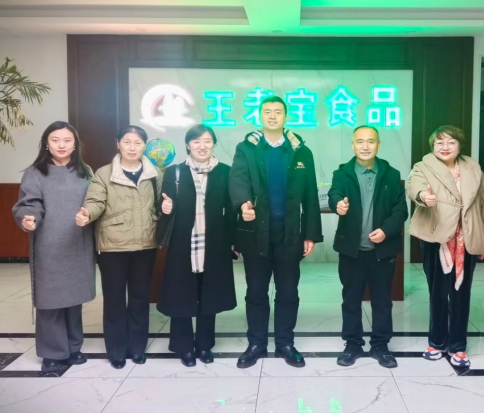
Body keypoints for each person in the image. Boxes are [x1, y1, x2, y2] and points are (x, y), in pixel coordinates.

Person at [229, 96, 323, 369]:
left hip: (289, 234)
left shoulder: (301, 151)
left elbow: (311, 195)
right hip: (255, 233)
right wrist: (243, 203)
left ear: (286, 116)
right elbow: (238, 180)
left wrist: (310, 234)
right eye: (267, 112)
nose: (272, 116)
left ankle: (285, 343)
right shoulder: (246, 148)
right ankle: (256, 343)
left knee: (288, 291)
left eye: (278, 112)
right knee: (256, 291)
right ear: (260, 116)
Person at [76, 125, 162, 369]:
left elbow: (160, 203)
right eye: (127, 142)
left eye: (137, 143)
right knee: (114, 299)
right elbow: (95, 201)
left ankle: (137, 347)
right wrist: (87, 213)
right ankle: (116, 349)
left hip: (145, 244)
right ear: (118, 144)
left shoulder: (154, 173)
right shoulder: (104, 173)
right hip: (112, 247)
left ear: (144, 146)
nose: (132, 147)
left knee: (139, 297)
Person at [406, 125, 484, 367]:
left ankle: (458, 346)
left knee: (462, 294)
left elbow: (483, 205)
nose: (445, 147)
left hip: (467, 237)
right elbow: (413, 187)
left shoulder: (473, 168)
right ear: (432, 146)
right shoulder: (422, 166)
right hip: (436, 236)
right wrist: (424, 197)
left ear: (459, 146)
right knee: (437, 292)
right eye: (440, 143)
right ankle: (436, 342)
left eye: (451, 142)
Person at [12, 121, 95, 373]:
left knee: (73, 300)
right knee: (50, 301)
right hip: (48, 245)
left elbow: (95, 201)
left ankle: (73, 347)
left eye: (67, 140)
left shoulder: (85, 171)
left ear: (75, 144)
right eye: (55, 140)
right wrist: (28, 218)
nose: (61, 145)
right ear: (46, 143)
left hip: (78, 243)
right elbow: (29, 204)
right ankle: (52, 352)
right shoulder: (35, 172)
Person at [156, 124, 238, 367]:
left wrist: (234, 241)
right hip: (183, 243)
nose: (202, 146)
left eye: (207, 141)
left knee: (209, 294)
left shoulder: (225, 172)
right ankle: (183, 346)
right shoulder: (174, 172)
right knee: (181, 294)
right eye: (196, 141)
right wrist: (164, 207)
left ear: (214, 144)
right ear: (188, 145)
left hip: (214, 243)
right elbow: (163, 204)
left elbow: (231, 210)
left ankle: (204, 345)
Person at [328, 125, 408, 369]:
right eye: (360, 141)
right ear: (352, 145)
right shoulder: (342, 173)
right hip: (351, 250)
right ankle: (352, 344)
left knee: (382, 300)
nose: (365, 146)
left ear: (378, 145)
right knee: (351, 299)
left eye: (370, 141)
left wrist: (386, 230)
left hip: (382, 250)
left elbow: (400, 210)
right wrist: (337, 205)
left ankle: (380, 345)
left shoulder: (391, 174)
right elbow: (334, 194)